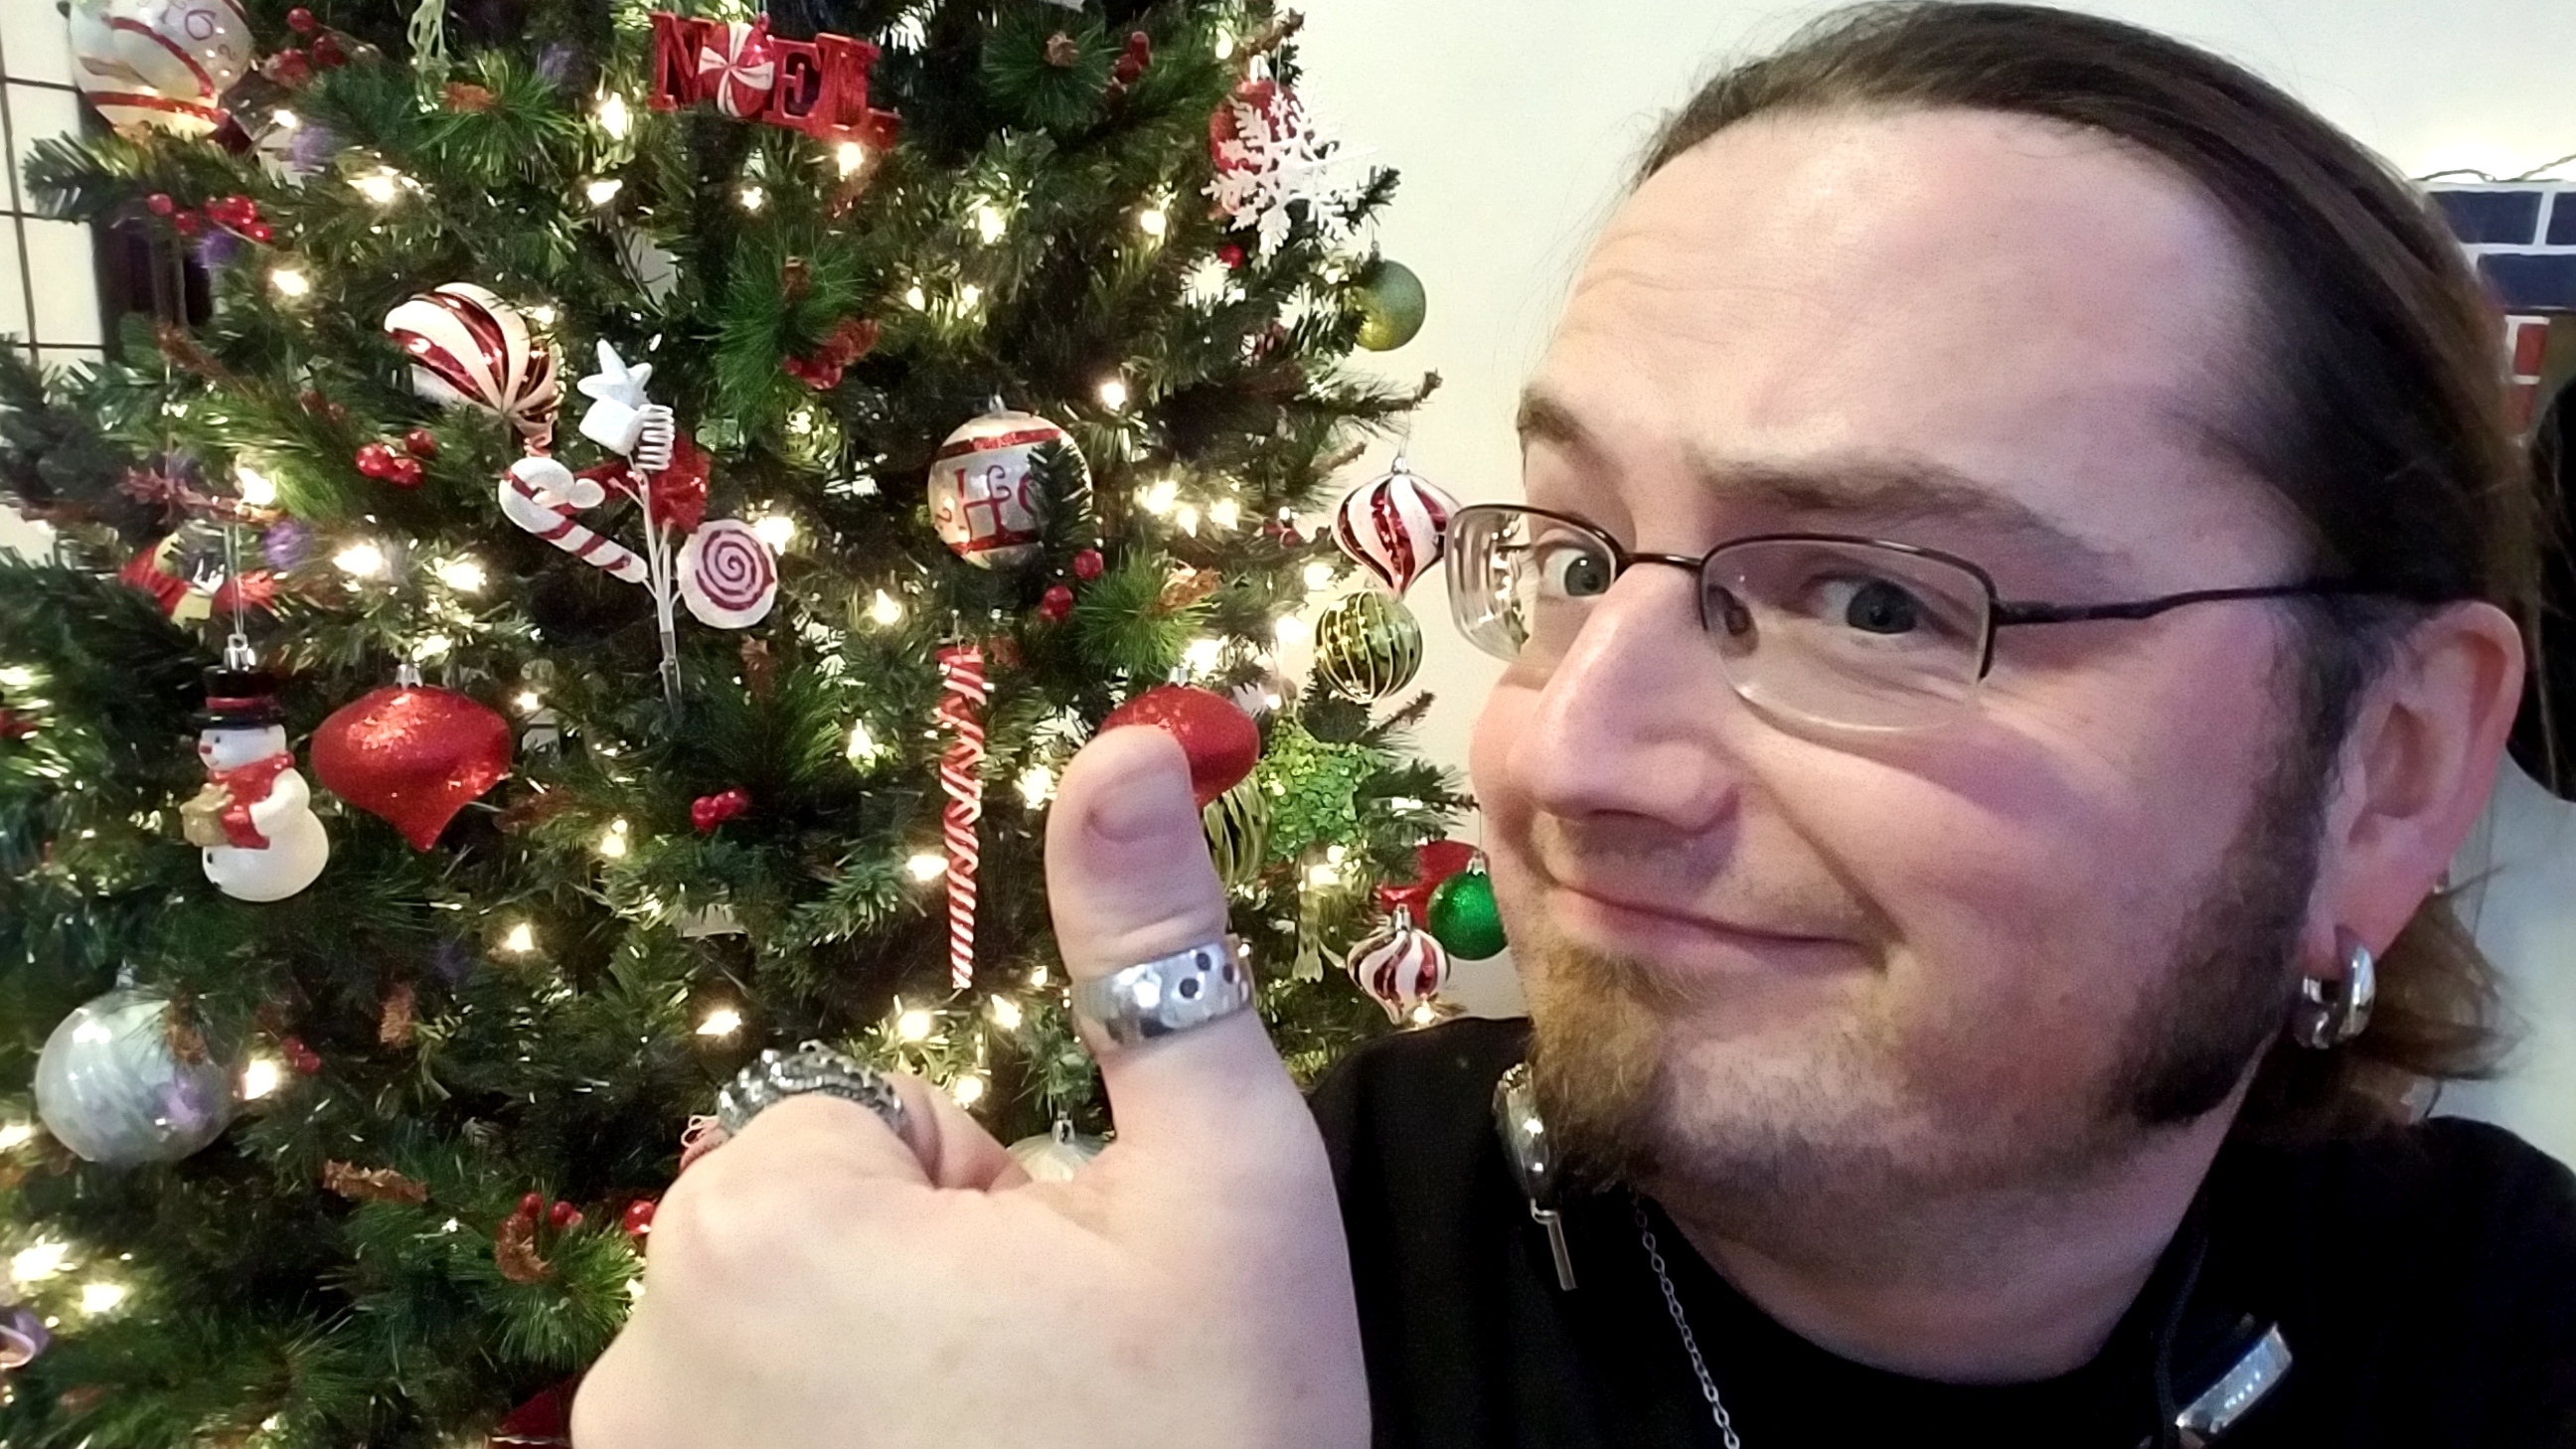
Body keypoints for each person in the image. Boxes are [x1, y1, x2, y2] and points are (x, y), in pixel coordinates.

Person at [569, 5, 2576, 1447]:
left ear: (2388, 767)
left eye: (1876, 601)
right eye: (1578, 555)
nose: (1559, 759)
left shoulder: (2511, 1326)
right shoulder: (1258, 1300)